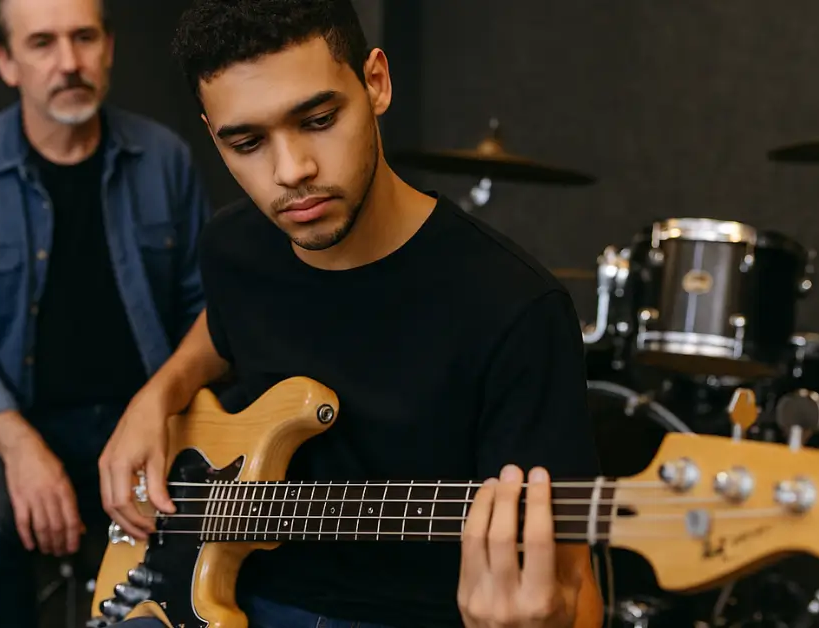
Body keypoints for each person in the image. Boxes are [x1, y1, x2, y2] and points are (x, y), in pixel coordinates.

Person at [98, 0, 603, 627]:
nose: (291, 172)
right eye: (248, 142)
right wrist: (155, 395)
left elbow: (574, 588)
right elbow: (223, 329)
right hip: (224, 596)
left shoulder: (515, 309)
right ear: (212, 134)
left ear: (376, 82)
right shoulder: (234, 245)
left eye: (317, 118)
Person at [0, 0, 211, 625]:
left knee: (206, 539)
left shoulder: (165, 158)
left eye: (83, 38)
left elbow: (206, 308)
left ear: (109, 48)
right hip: (10, 419)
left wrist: (158, 404)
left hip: (143, 411)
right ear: (5, 62)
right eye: (42, 43)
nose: (69, 63)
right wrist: (21, 446)